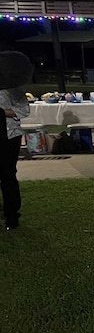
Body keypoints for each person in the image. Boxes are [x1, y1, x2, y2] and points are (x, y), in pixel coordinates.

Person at [0, 66, 31, 231]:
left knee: (7, 175)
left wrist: (2, 112)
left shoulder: (13, 88)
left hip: (9, 136)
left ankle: (12, 215)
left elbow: (24, 111)